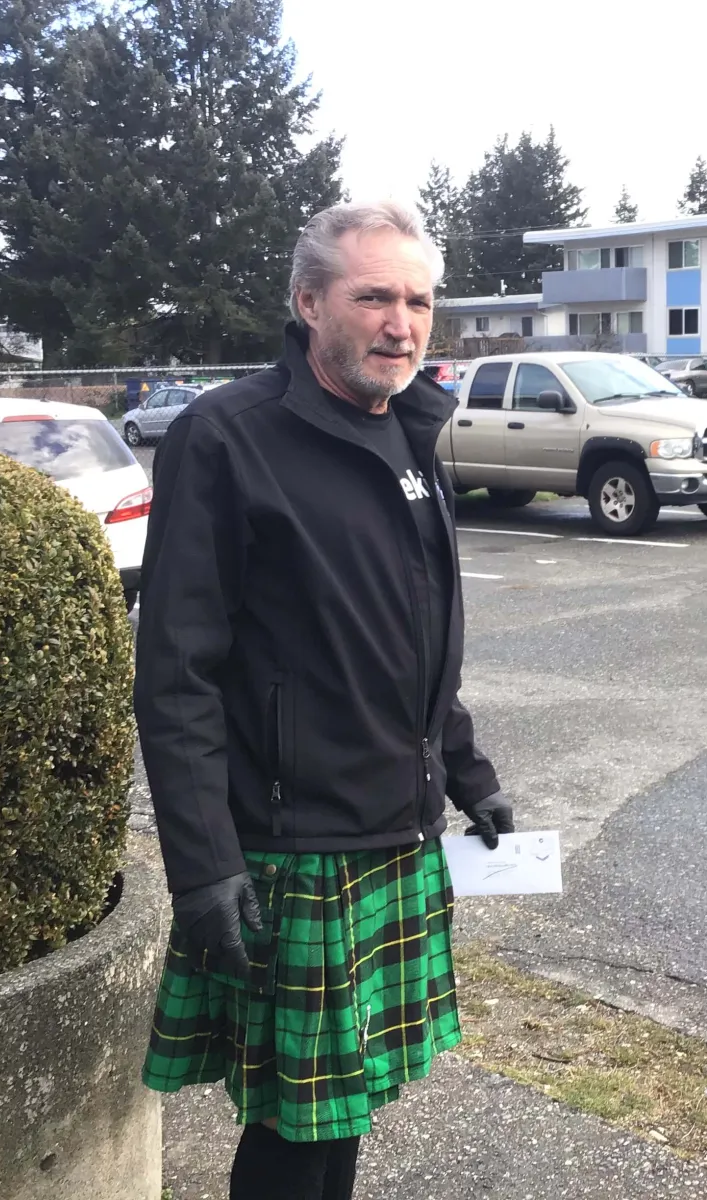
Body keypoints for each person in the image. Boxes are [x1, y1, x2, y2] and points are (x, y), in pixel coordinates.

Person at [133, 199, 514, 1200]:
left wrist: (467, 774)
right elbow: (176, 672)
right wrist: (203, 865)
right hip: (291, 846)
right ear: (308, 302)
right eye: (374, 296)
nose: (401, 322)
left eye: (419, 301)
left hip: (395, 826)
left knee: (343, 1117)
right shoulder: (228, 439)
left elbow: (413, 643)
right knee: (297, 1136)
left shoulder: (414, 432)